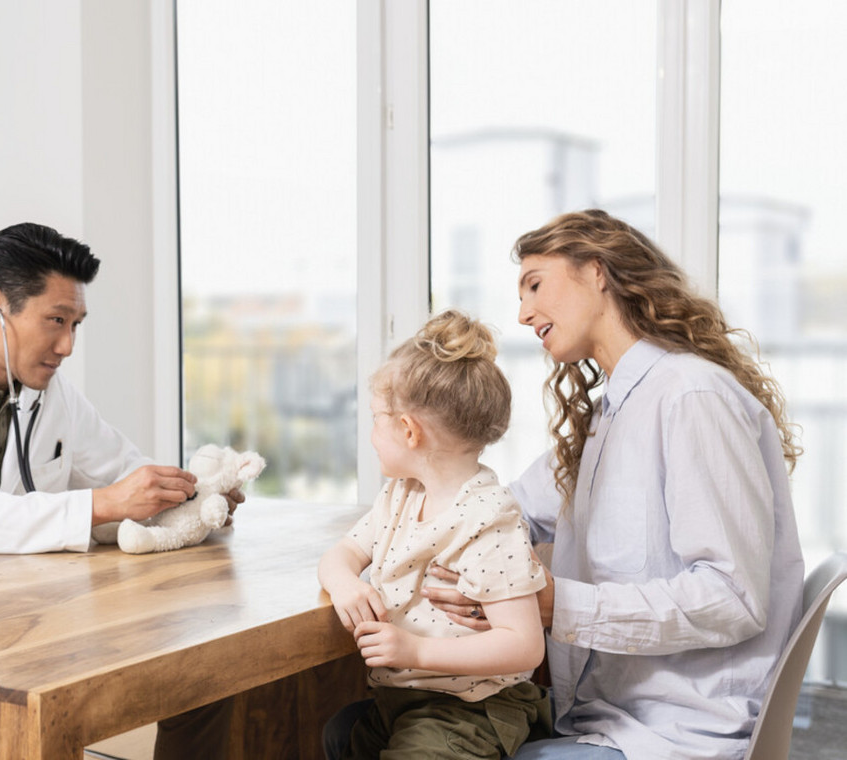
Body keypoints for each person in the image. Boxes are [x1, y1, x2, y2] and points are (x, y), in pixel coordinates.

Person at [422, 209, 805, 760]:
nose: (525, 313)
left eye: (535, 285)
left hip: (674, 733)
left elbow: (732, 598)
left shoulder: (690, 397)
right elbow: (509, 512)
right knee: (359, 728)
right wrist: (397, 528)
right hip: (604, 714)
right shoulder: (607, 416)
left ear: (597, 272)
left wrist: (558, 605)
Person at [0, 221, 238, 758]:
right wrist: (103, 504)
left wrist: (193, 497)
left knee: (205, 672)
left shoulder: (48, 392)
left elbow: (123, 468)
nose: (68, 346)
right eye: (56, 321)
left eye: (77, 324)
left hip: (27, 615)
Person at [318, 309, 553, 760]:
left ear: (408, 430)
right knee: (341, 739)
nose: (370, 435)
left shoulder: (488, 520)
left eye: (375, 419)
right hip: (405, 701)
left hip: (473, 708)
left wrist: (415, 650)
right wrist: (345, 582)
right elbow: (342, 553)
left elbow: (524, 646)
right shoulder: (399, 496)